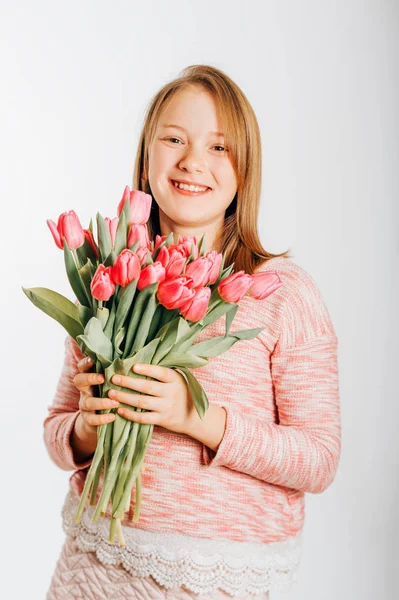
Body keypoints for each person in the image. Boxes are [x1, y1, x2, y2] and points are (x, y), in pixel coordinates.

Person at [44, 64, 341, 599]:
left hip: (210, 582)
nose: (192, 163)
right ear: (147, 154)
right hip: (92, 571)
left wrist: (195, 417)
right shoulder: (108, 276)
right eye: (174, 139)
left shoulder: (282, 295)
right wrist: (86, 429)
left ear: (245, 170)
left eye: (219, 148)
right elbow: (58, 433)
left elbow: (318, 459)